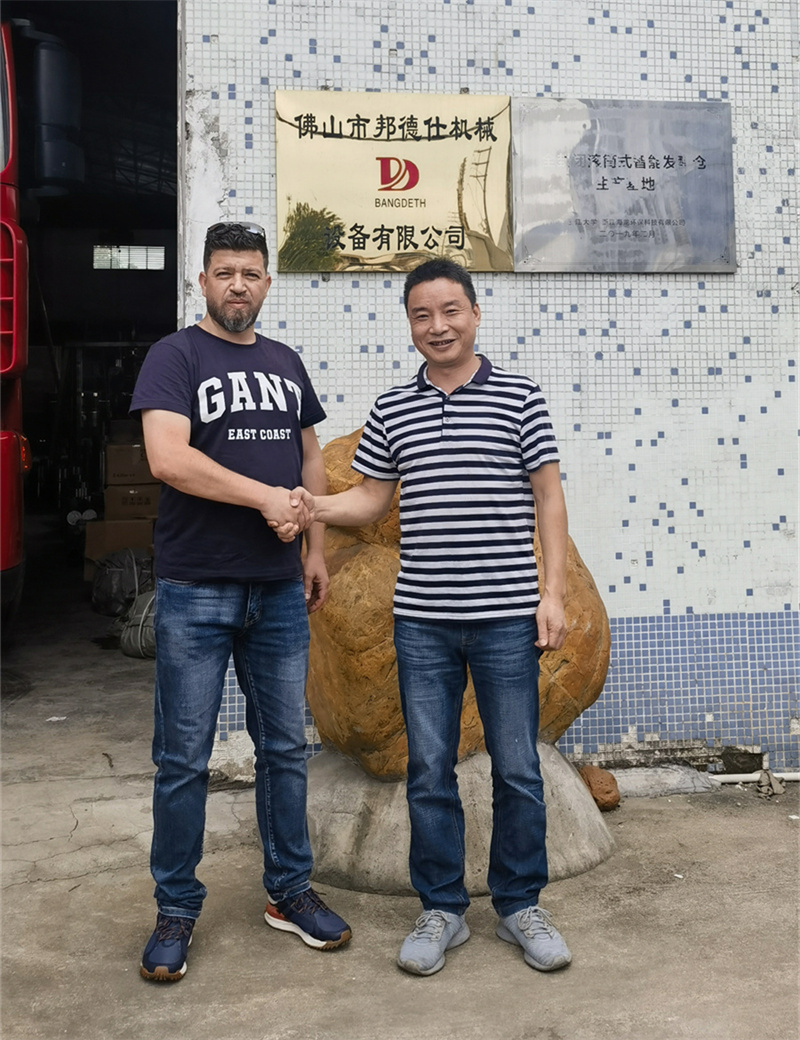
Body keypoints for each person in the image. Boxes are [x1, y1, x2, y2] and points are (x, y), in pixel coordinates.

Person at [296, 258, 571, 977]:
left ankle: (519, 905)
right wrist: (312, 505)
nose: (437, 326)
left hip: (507, 618)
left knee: (518, 768)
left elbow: (548, 498)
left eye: (450, 311)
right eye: (422, 315)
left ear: (475, 314)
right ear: (410, 324)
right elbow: (370, 499)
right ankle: (441, 908)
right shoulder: (394, 409)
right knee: (428, 771)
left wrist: (553, 593)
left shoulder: (520, 398)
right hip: (421, 622)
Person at [130, 221, 351, 983]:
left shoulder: (286, 361)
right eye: (224, 272)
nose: (237, 285)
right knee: (183, 759)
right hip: (196, 586)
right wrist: (264, 498)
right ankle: (176, 907)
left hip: (278, 589)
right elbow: (168, 458)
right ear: (202, 281)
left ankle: (289, 891)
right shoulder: (176, 356)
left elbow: (310, 458)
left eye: (250, 273)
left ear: (266, 283)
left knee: (285, 749)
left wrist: (314, 548)